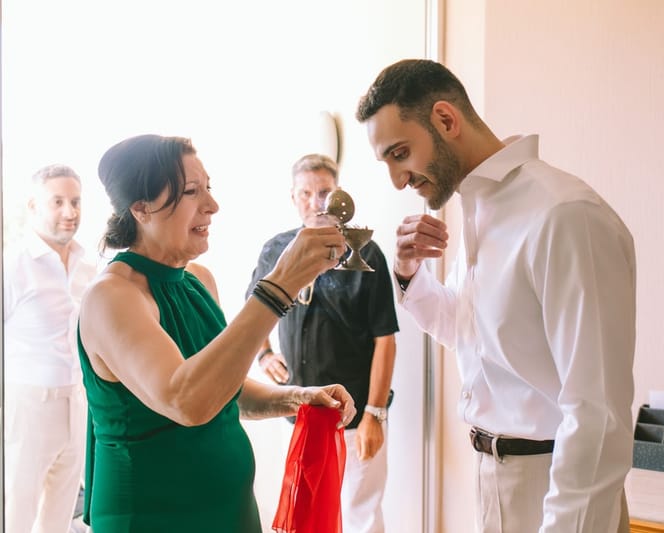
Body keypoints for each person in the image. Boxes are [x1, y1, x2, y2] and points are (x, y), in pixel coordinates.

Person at [355, 59, 636, 533]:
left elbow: (598, 414)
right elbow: (472, 335)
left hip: (555, 488)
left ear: (446, 120)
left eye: (400, 154)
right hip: (491, 477)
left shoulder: (564, 215)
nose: (398, 180)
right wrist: (407, 273)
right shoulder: (480, 211)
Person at [76, 134, 355, 533]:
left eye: (209, 187)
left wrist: (297, 397)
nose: (212, 205)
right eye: (192, 192)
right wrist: (278, 287)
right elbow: (187, 401)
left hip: (230, 511)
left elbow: (224, 389)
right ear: (141, 207)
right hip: (152, 517)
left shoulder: (198, 281)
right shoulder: (112, 297)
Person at [246, 153, 399, 533]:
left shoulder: (365, 253)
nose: (316, 203)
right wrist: (265, 355)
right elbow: (253, 308)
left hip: (354, 414)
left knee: (361, 515)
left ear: (339, 194)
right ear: (293, 197)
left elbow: (385, 339)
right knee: (305, 513)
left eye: (325, 192)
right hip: (296, 409)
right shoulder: (275, 250)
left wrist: (374, 415)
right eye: (306, 193)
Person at [4, 164, 96, 533]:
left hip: (76, 402)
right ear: (33, 206)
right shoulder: (12, 266)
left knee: (59, 515)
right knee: (16, 512)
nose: (69, 212)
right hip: (27, 405)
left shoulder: (88, 267)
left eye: (75, 201)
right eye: (57, 202)